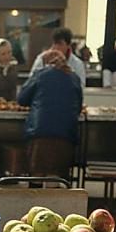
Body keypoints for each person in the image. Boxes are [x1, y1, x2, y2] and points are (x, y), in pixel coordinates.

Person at [18, 50, 83, 180]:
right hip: (66, 134)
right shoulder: (75, 78)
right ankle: (55, 198)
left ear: (46, 63)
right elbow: (78, 107)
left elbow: (22, 99)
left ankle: (36, 197)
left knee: (37, 173)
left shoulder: (40, 75)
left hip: (40, 132)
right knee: (56, 177)